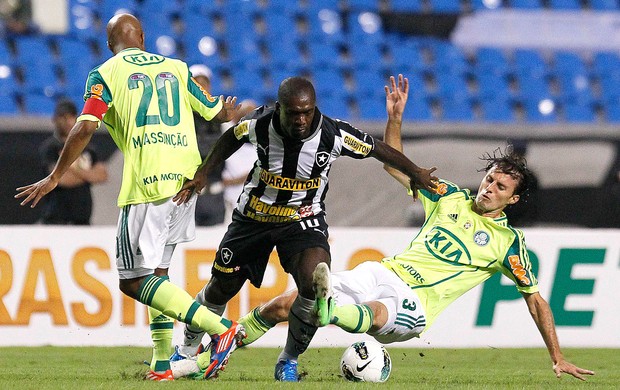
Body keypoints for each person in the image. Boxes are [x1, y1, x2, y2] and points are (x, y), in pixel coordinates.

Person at [222, 75, 595, 382]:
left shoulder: (508, 244)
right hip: (385, 271)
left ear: (512, 200)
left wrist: (557, 355)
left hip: (414, 304)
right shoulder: (449, 196)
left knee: (370, 312)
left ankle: (328, 309)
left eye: (500, 187)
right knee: (287, 304)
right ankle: (224, 341)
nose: (489, 188)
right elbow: (395, 166)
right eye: (489, 179)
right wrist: (395, 119)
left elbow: (535, 300)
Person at [15, 13, 245, 381]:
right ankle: (161, 363)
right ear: (143, 37)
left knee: (132, 280)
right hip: (187, 182)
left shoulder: (105, 72)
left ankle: (219, 328)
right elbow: (216, 111)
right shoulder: (177, 67)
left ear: (110, 44)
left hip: (148, 184)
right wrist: (228, 108)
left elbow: (87, 124)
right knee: (158, 273)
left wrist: (56, 175)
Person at [170, 74, 438, 381]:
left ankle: (289, 360)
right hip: (254, 217)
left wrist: (415, 171)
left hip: (303, 220)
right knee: (221, 288)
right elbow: (230, 138)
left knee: (312, 286)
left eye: (307, 112)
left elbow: (378, 149)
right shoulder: (260, 124)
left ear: (314, 108)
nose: (300, 119)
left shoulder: (333, 134)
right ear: (279, 108)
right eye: (293, 112)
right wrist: (204, 173)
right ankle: (188, 349)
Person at [38, 99, 108, 225]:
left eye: (71, 117)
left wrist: (71, 167)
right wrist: (88, 175)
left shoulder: (88, 148)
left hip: (82, 218)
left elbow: (102, 175)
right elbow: (61, 179)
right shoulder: (51, 147)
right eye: (62, 117)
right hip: (56, 218)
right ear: (55, 119)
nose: (67, 122)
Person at [189, 64, 226, 226]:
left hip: (216, 193)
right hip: (189, 194)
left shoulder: (222, 116)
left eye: (204, 84)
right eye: (197, 84)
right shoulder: (182, 116)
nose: (201, 88)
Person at [220, 99, 258, 224]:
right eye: (244, 116)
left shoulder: (260, 137)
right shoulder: (224, 130)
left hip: (251, 196)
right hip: (223, 196)